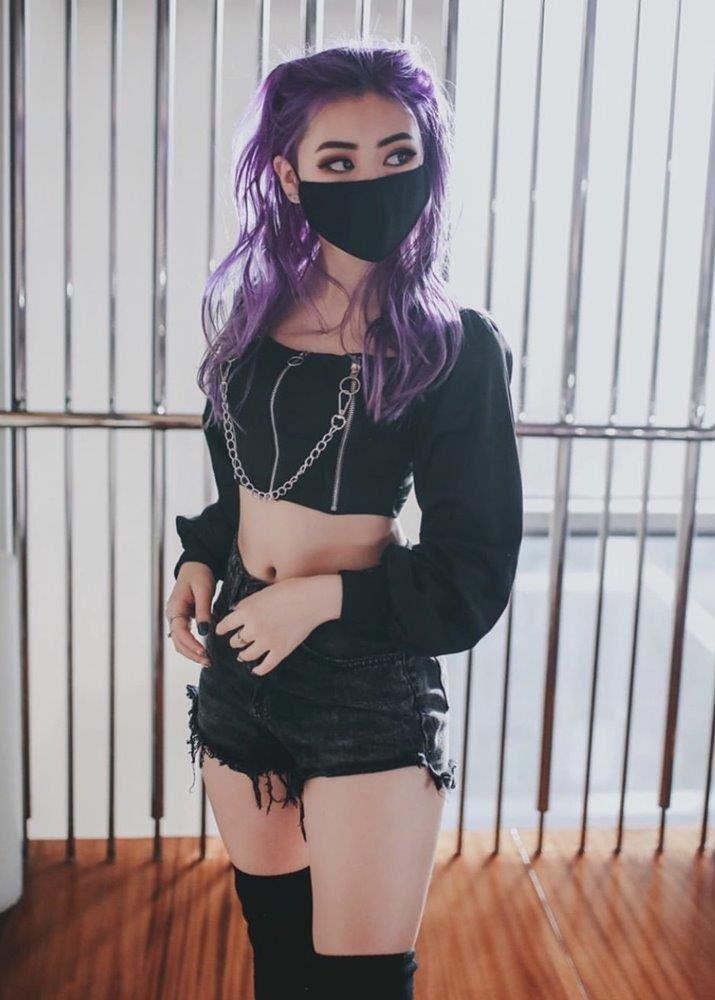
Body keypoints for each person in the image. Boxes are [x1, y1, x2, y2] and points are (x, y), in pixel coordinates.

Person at [164, 41, 523, 1000]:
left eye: (396, 155)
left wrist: (316, 600)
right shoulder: (252, 321)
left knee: (360, 985)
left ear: (428, 163)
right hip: (241, 667)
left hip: (365, 685)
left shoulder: (454, 348)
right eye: (339, 161)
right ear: (289, 177)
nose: (372, 179)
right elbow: (244, 483)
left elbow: (472, 571)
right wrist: (201, 557)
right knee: (280, 962)